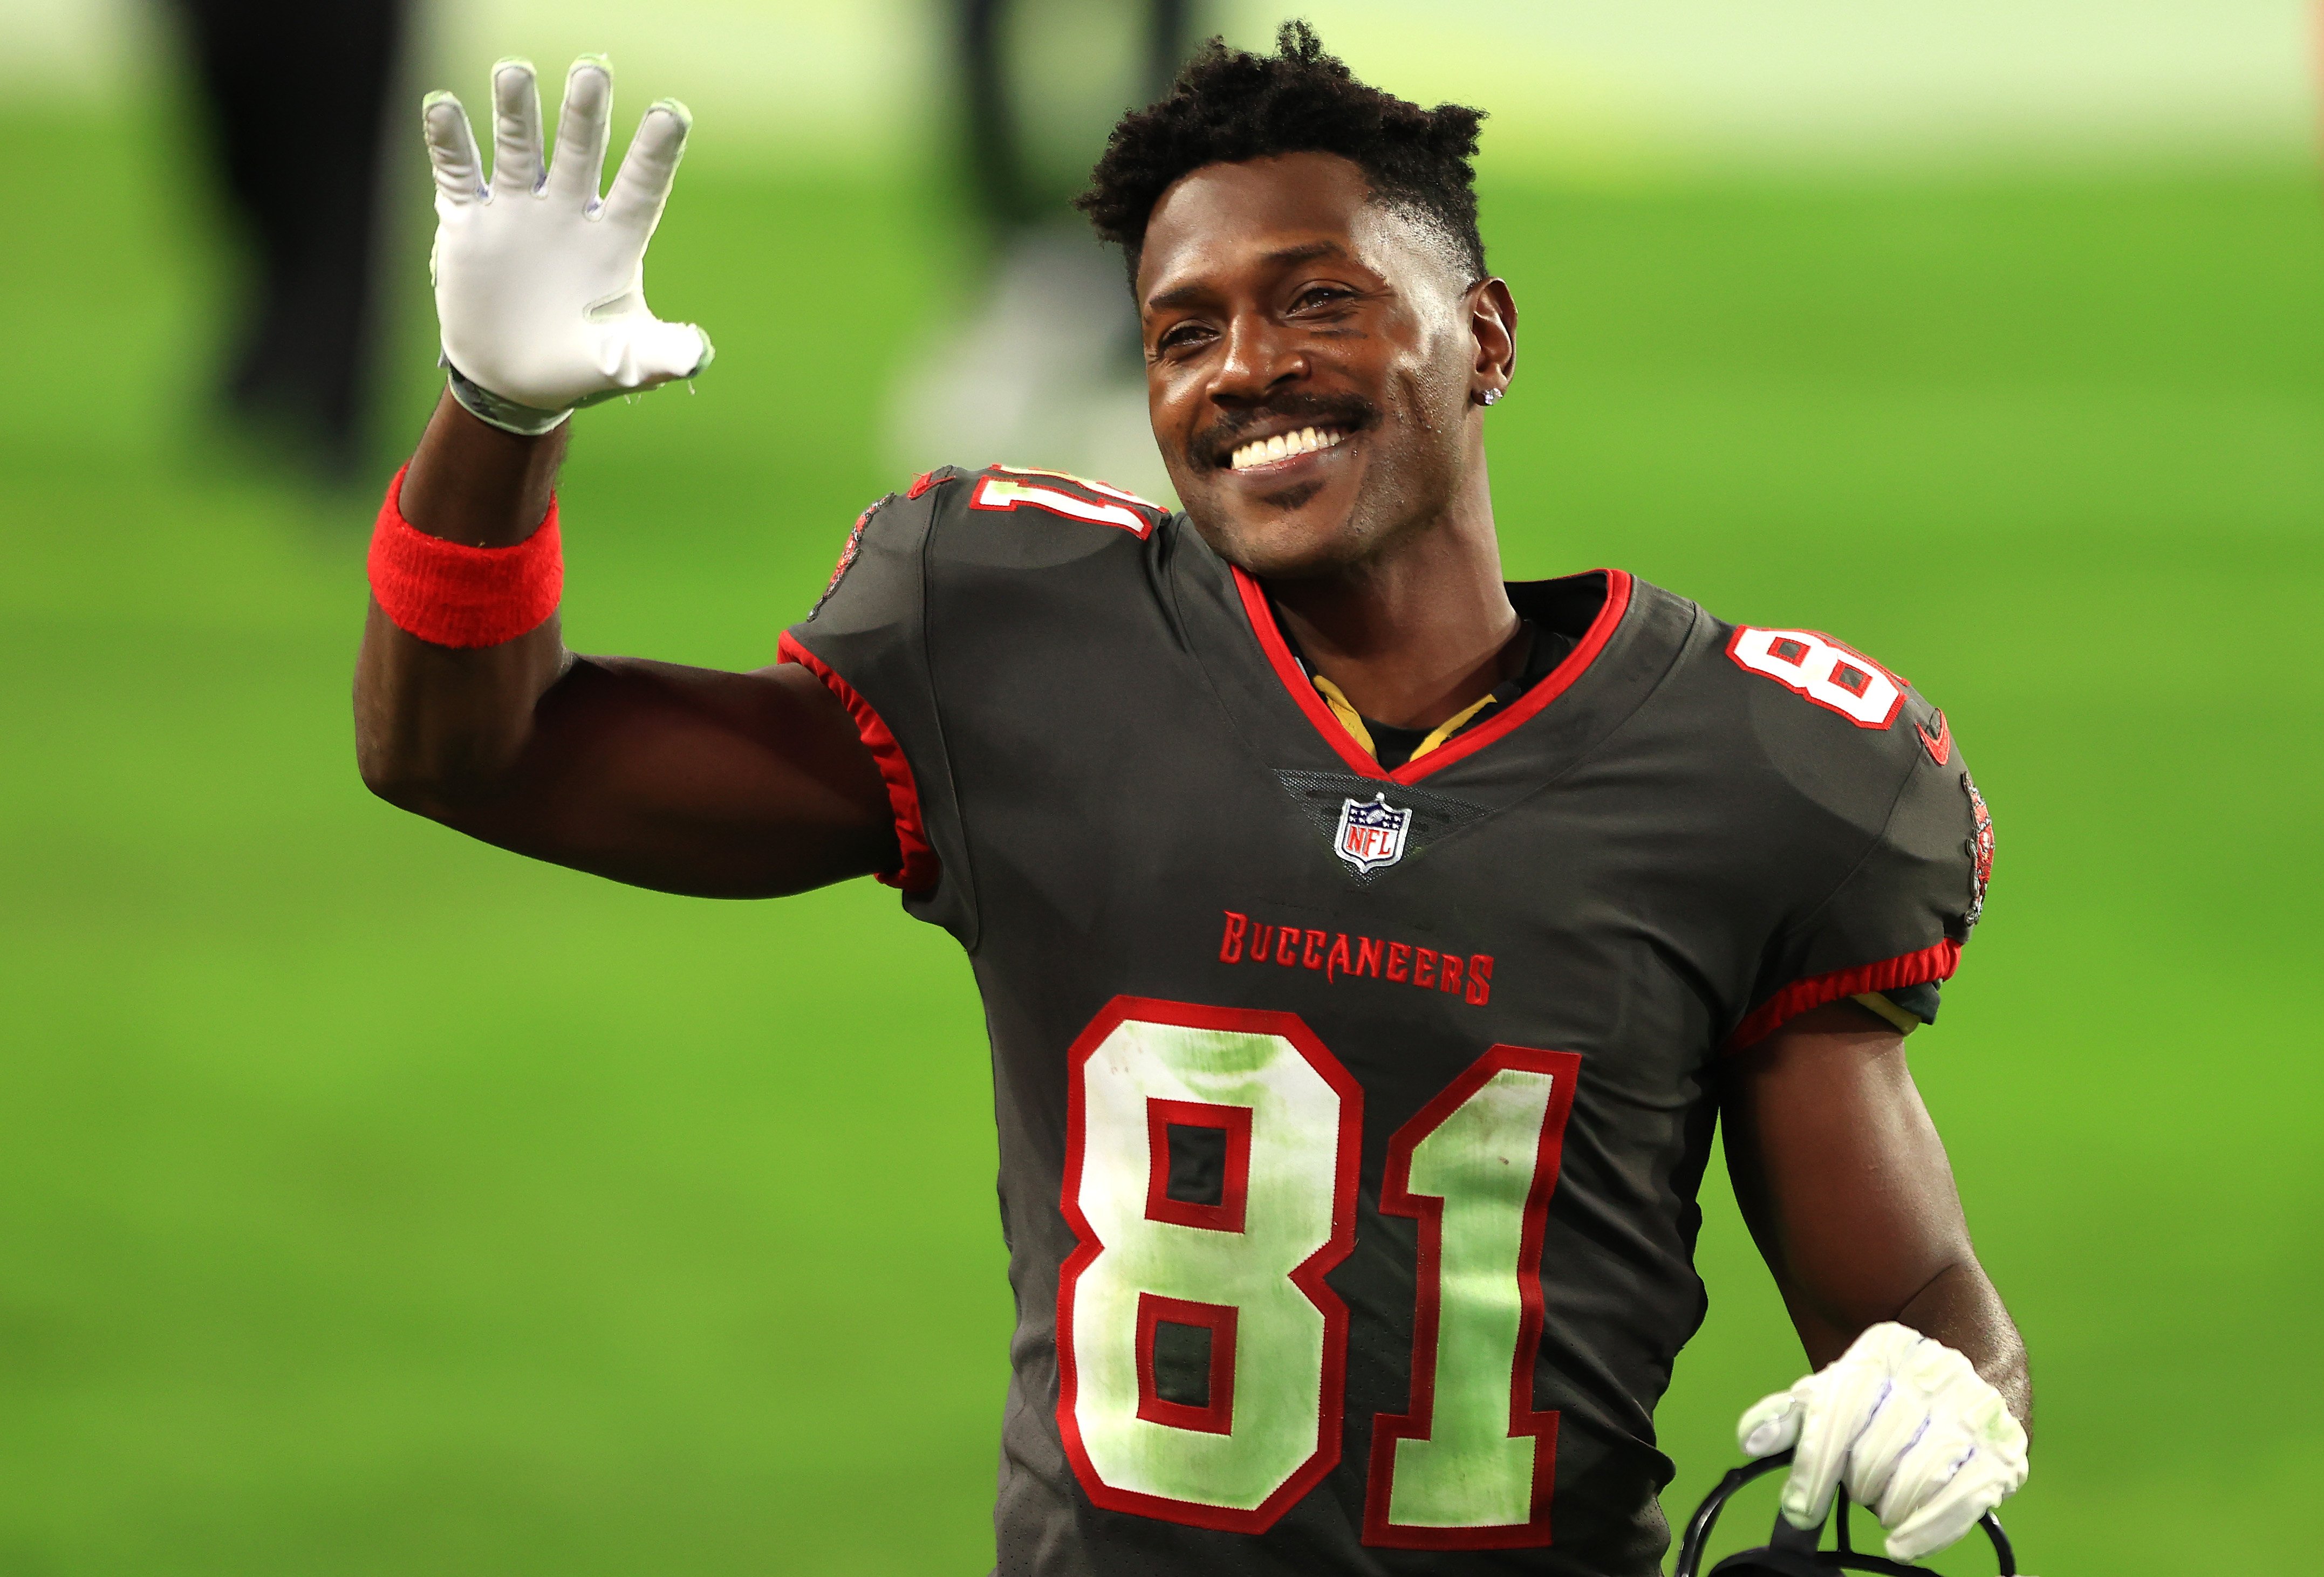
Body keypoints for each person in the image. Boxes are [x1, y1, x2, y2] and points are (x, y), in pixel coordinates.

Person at [356, 28, 2029, 1576]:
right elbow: (474, 753)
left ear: (1486, 338)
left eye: (1315, 301)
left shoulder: (1754, 771)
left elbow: (1910, 1299)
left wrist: (1940, 1383)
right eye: (1180, 330)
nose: (1243, 367)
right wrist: (495, 421)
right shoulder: (1024, 642)